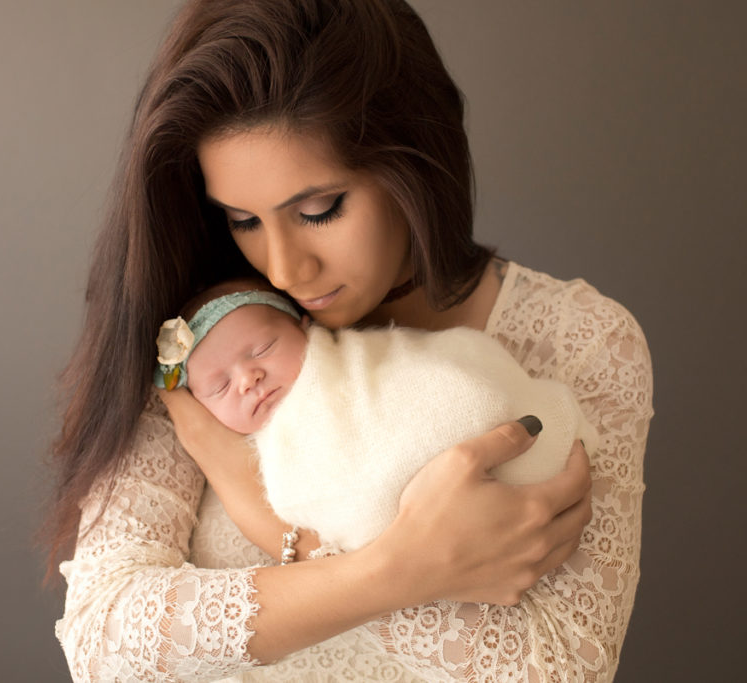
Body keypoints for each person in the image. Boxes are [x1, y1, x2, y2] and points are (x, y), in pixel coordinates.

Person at [46, 0, 653, 680]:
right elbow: (104, 640)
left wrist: (289, 530)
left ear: (414, 163)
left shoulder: (582, 341)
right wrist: (394, 571)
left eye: (318, 210)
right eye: (243, 219)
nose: (283, 268)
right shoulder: (210, 341)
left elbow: (562, 665)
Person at [154, 278, 599, 554]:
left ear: (305, 327)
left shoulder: (352, 360)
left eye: (262, 349)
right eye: (220, 386)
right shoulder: (253, 446)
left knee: (476, 395)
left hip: (467, 420)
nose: (248, 378)